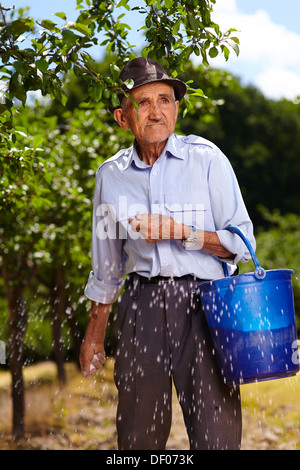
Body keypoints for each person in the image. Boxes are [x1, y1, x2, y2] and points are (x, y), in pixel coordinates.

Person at [80, 57, 256, 450]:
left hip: (206, 305)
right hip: (141, 307)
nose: (156, 111)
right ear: (122, 117)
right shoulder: (111, 175)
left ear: (177, 108)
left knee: (218, 436)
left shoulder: (207, 159)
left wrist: (179, 232)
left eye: (165, 99)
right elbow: (107, 264)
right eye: (143, 102)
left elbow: (242, 243)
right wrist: (94, 334)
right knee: (137, 436)